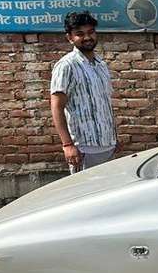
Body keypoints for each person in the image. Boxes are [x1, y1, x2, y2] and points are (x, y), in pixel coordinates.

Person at [50, 12, 117, 173]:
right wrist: (67, 145)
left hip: (107, 145)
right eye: (80, 34)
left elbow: (105, 103)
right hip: (83, 148)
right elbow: (57, 107)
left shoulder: (101, 64)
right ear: (70, 38)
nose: (87, 37)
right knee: (87, 194)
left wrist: (113, 138)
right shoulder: (66, 66)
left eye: (91, 32)